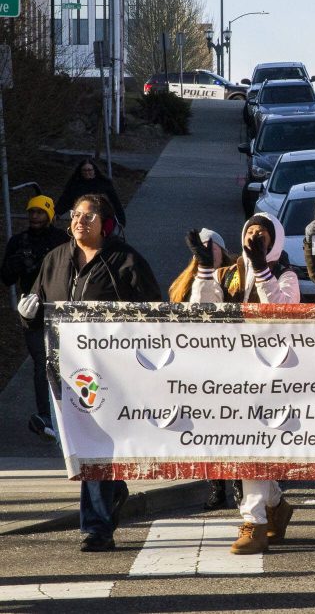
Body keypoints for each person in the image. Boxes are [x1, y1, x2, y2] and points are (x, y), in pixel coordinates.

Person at [18, 193, 160, 552]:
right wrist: (26, 313)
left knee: (96, 445)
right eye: (76, 215)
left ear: (105, 223)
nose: (80, 221)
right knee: (79, 447)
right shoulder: (55, 259)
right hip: (65, 372)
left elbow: (155, 315)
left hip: (113, 372)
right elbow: (38, 311)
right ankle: (113, 490)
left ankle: (96, 527)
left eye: (89, 215)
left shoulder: (125, 261)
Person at [190, 213, 299, 554]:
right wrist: (205, 270)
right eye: (250, 231)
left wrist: (263, 270)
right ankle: (276, 505)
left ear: (275, 241)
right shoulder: (229, 275)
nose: (254, 236)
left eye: (262, 234)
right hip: (233, 373)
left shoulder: (286, 274)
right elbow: (202, 310)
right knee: (244, 446)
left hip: (271, 375)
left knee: (252, 446)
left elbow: (282, 312)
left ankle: (254, 521)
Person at [168, 228, 239, 510]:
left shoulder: (235, 276)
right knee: (208, 428)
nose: (208, 251)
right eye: (203, 247)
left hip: (233, 363)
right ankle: (216, 486)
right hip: (200, 364)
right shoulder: (184, 283)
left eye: (213, 246)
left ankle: (239, 482)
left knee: (234, 426)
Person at [2, 195, 67, 440]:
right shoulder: (19, 241)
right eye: (31, 212)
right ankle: (46, 416)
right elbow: (6, 277)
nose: (35, 217)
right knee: (43, 363)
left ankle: (68, 412)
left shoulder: (62, 240)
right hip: (33, 312)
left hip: (61, 308)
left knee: (65, 363)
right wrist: (17, 263)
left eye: (40, 212)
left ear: (49, 214)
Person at [56, 159, 127, 228]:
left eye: (89, 170)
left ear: (94, 170)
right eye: (84, 170)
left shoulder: (104, 184)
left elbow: (115, 202)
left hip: (103, 218)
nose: (87, 172)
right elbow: (65, 201)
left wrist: (121, 220)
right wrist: (56, 213)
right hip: (82, 218)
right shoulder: (75, 185)